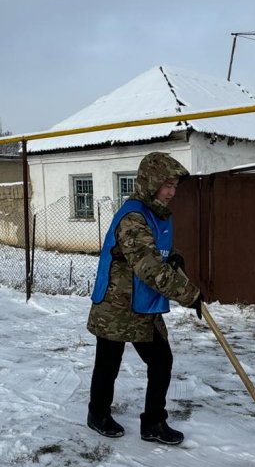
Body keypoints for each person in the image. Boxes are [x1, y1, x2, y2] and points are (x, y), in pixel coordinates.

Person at [86, 152, 203, 446]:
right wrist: (189, 294)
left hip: (142, 304)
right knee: (108, 363)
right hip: (116, 303)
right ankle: (97, 414)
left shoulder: (154, 213)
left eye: (175, 186)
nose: (172, 192)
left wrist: (172, 253)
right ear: (151, 182)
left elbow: (153, 251)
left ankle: (153, 423)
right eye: (167, 185)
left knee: (161, 361)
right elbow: (148, 266)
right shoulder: (134, 217)